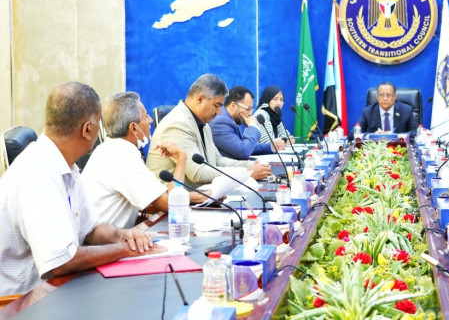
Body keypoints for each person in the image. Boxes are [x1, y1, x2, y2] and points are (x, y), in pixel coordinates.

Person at [0, 82, 160, 297]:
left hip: (56, 291)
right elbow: (61, 262)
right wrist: (124, 250)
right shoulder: (38, 173)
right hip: (21, 303)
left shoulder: (66, 166)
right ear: (87, 129)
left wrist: (125, 236)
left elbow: (91, 229)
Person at [82, 92, 201, 229]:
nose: (150, 120)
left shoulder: (107, 149)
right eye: (146, 117)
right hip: (104, 241)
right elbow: (172, 204)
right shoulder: (123, 155)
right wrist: (181, 158)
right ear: (133, 127)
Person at [146, 74, 272, 188]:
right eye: (216, 106)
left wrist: (251, 165)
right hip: (173, 201)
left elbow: (217, 160)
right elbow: (197, 173)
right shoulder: (177, 123)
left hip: (200, 195)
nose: (219, 112)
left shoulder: (203, 124)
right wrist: (246, 173)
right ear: (200, 99)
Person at [211, 86, 285, 160]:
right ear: (233, 106)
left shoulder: (231, 119)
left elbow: (243, 146)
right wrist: (253, 126)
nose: (250, 114)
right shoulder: (221, 122)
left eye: (251, 109)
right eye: (248, 109)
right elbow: (243, 152)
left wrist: (270, 146)